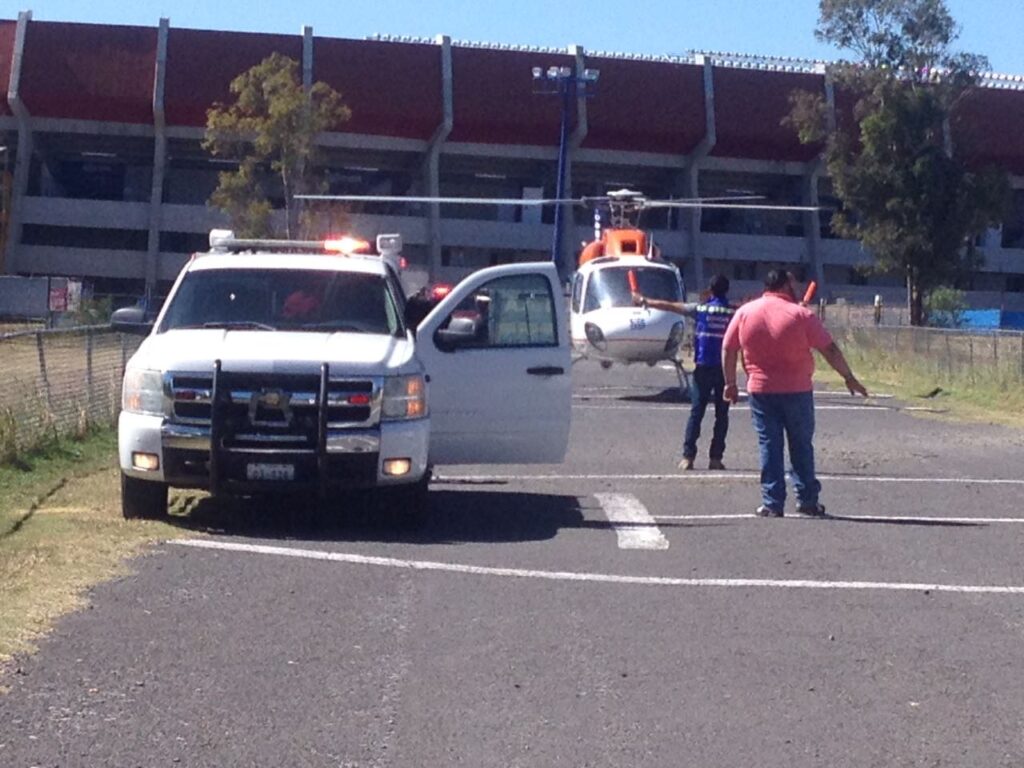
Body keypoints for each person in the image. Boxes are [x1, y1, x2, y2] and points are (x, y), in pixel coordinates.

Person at [722, 269, 868, 518]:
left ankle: (772, 502)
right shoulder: (801, 315)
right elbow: (829, 349)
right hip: (797, 389)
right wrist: (848, 377)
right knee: (801, 445)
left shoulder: (745, 312)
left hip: (761, 389)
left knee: (769, 444)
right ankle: (807, 499)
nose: (797, 288)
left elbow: (728, 347)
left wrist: (730, 383)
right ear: (784, 285)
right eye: (793, 284)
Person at [632, 274, 735, 471]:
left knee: (696, 412)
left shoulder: (701, 309)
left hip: (703, 367)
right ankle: (715, 458)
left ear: (711, 290)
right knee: (722, 415)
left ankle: (688, 457)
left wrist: (645, 301)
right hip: (724, 368)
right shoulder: (732, 312)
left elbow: (671, 306)